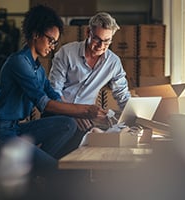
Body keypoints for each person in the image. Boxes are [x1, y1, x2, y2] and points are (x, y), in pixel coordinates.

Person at [0, 5, 107, 178]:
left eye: (55, 42)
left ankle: (34, 170)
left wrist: (80, 118)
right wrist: (86, 110)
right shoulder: (19, 63)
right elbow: (44, 104)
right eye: (50, 40)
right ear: (36, 34)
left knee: (67, 123)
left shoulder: (37, 68)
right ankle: (39, 169)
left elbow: (53, 95)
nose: (53, 47)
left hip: (15, 129)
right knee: (53, 169)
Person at [48, 12, 131, 155]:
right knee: (62, 154)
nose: (101, 46)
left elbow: (122, 95)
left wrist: (135, 116)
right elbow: (53, 91)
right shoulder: (67, 53)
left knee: (89, 153)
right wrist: (74, 113)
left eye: (107, 41)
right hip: (58, 114)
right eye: (97, 39)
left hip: (85, 119)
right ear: (88, 32)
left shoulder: (113, 63)